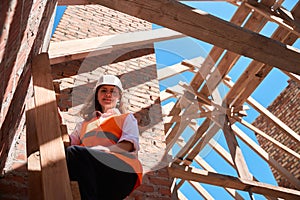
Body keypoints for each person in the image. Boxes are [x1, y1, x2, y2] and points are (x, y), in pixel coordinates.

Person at [65, 74, 143, 200]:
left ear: (119, 97)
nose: (108, 94)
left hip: (121, 170)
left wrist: (105, 149)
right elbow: (69, 143)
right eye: (104, 90)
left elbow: (128, 144)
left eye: (113, 91)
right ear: (97, 95)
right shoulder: (83, 124)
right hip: (92, 171)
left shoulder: (126, 118)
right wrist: (56, 123)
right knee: (70, 154)